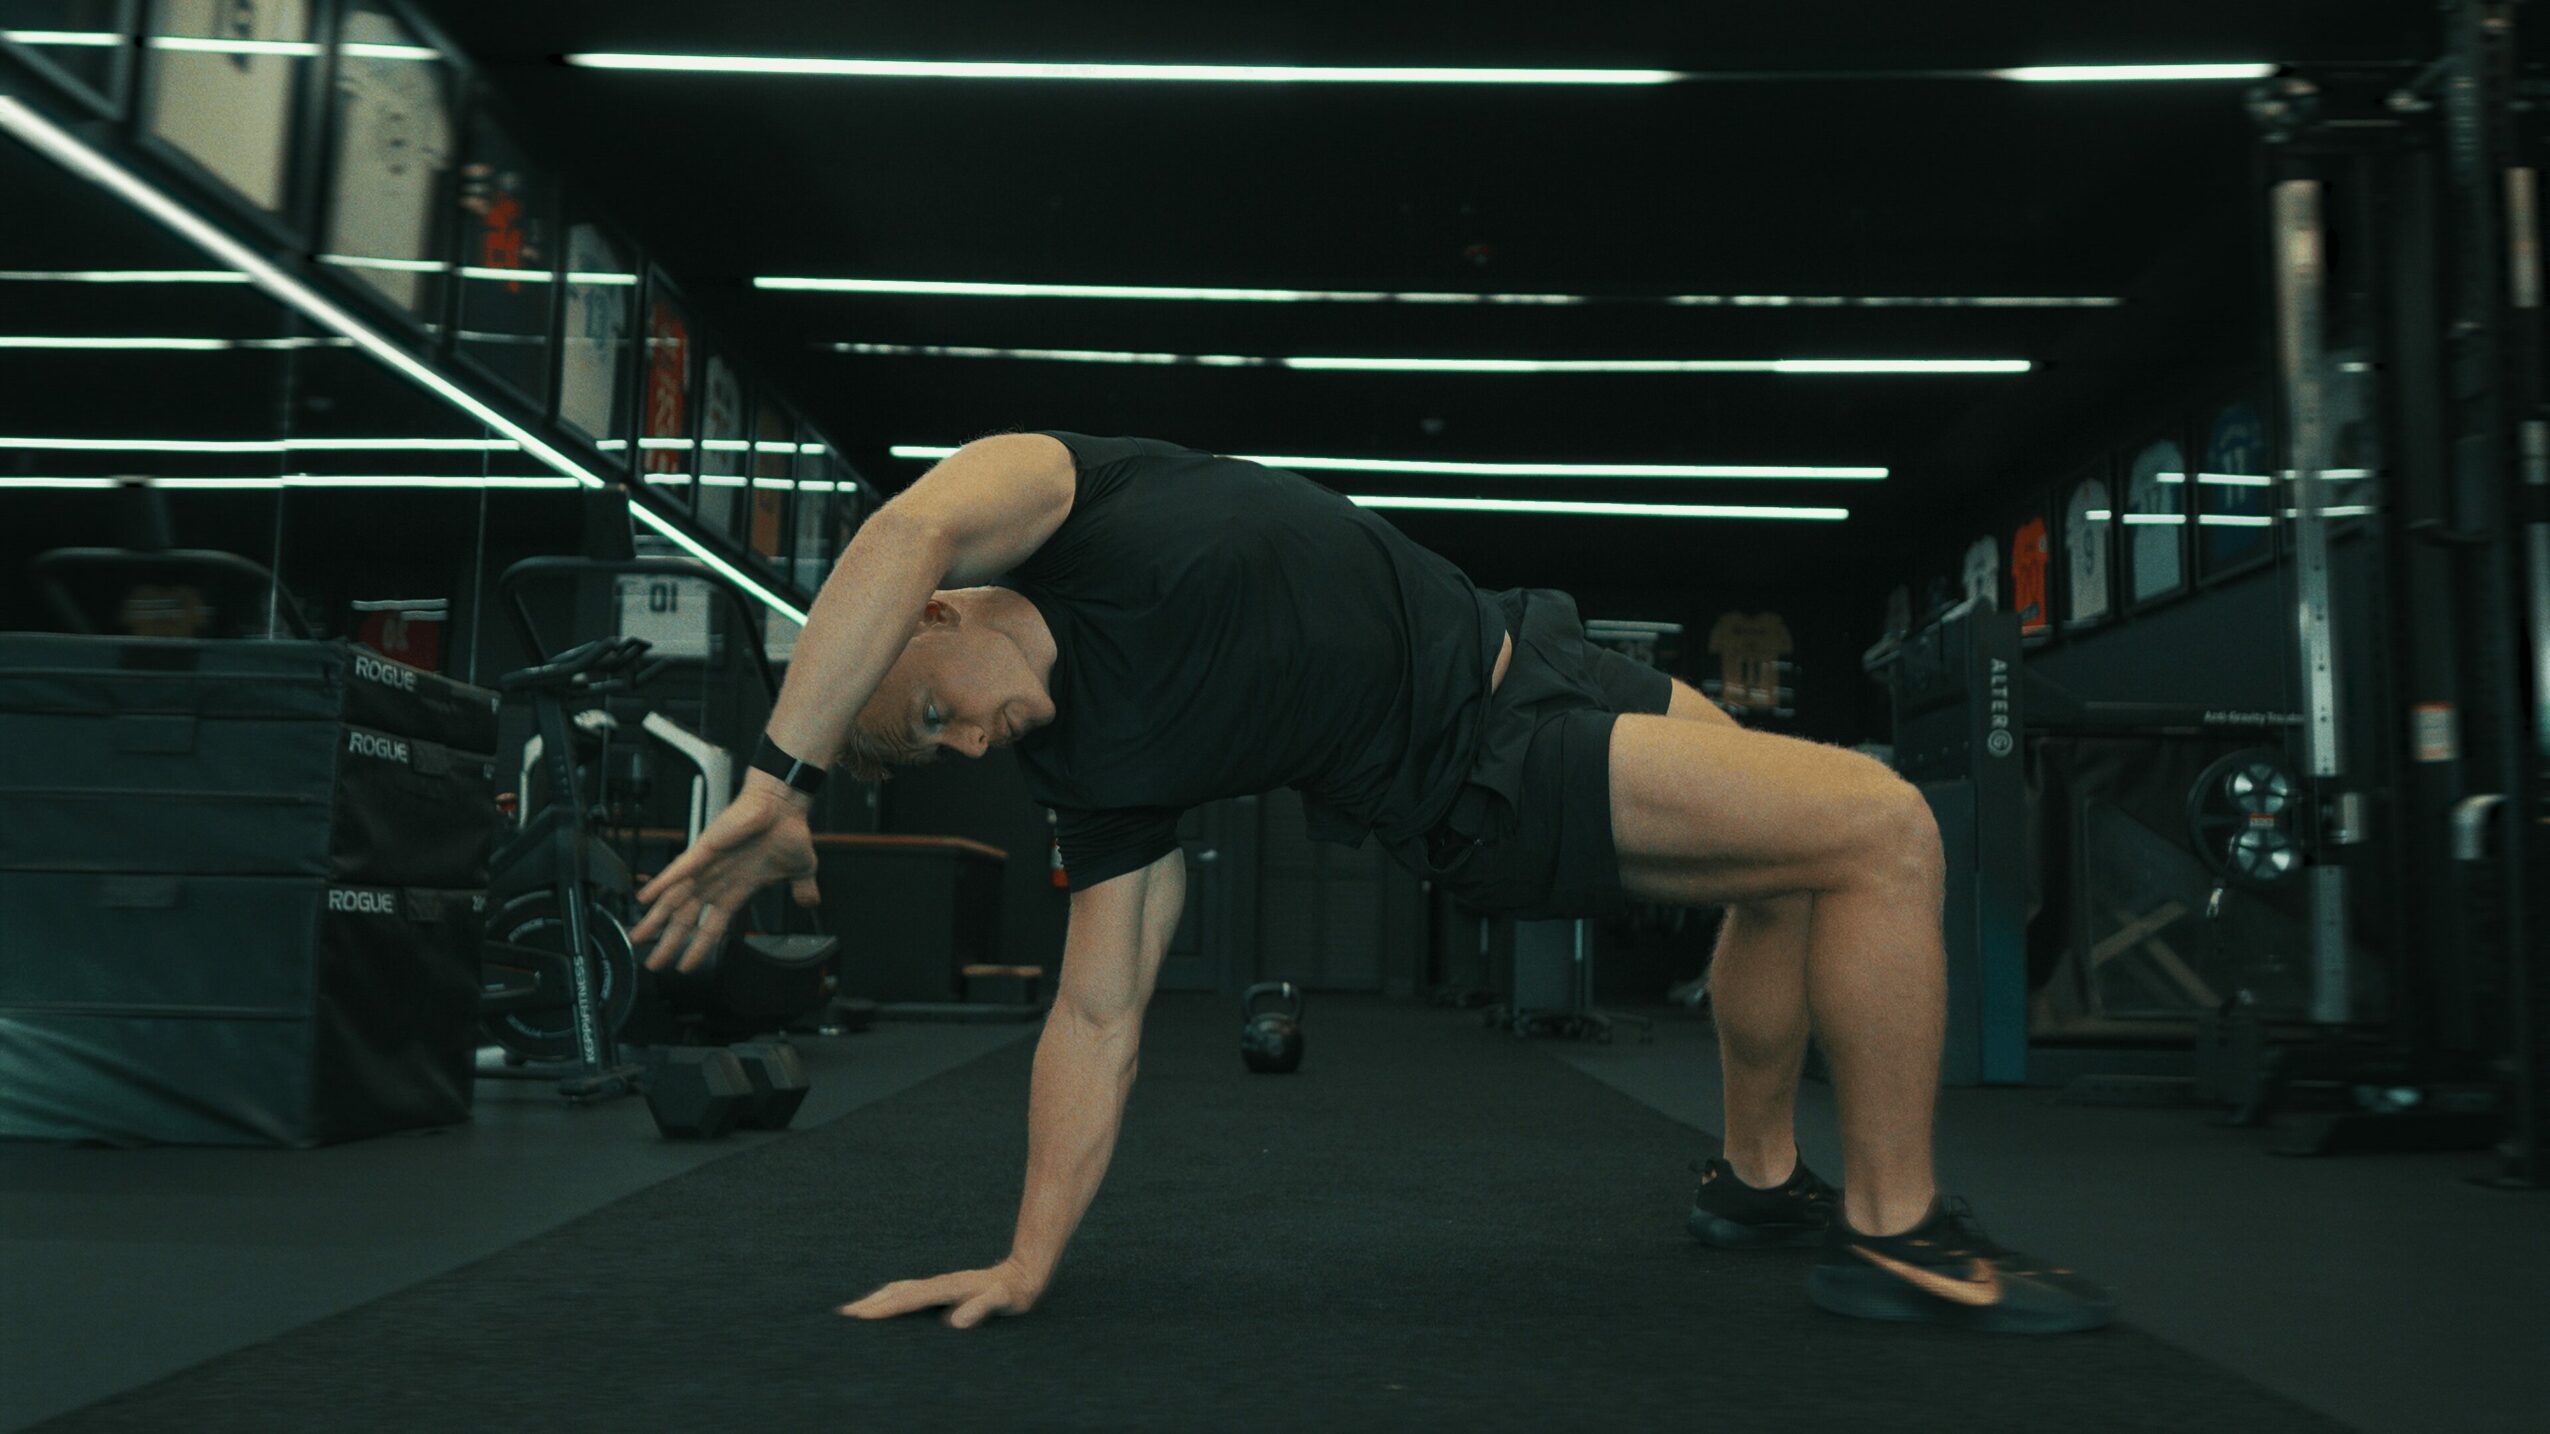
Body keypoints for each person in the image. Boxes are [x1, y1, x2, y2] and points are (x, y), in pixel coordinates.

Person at [629, 431, 2115, 1337]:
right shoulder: (1102, 774)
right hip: (1483, 774)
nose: (969, 744)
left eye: (932, 711)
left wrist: (778, 778)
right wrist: (1027, 1258)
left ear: (939, 614)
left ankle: (1755, 1184)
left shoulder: (1058, 497)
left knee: (1785, 869)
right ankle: (1896, 1237)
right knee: (1881, 830)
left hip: (1526, 648)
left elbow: (898, 528)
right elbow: (1094, 1015)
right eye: (936, 752)